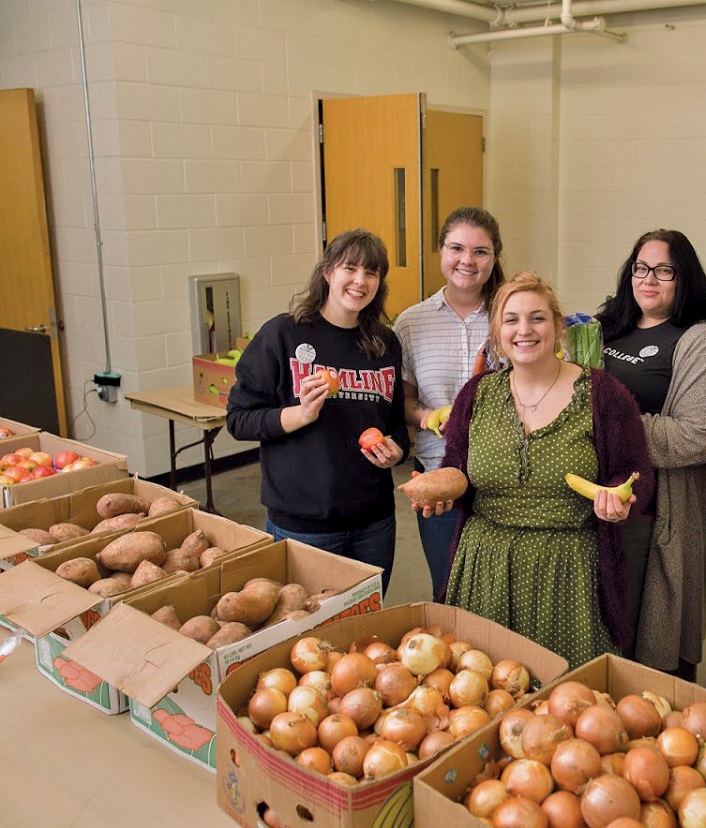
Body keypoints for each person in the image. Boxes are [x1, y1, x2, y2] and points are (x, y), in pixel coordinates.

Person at [412, 272, 654, 668]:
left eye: (537, 318)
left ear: (558, 327)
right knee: (481, 691)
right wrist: (440, 493)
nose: (524, 330)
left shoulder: (602, 394)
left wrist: (619, 499)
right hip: (483, 568)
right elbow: (456, 468)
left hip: (568, 573)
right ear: (497, 332)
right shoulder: (476, 394)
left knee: (565, 699)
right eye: (511, 320)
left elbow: (635, 472)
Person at [226, 229, 409, 592]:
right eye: (350, 268)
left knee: (364, 632)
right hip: (303, 523)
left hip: (374, 521)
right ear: (327, 272)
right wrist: (300, 414)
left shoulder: (384, 343)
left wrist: (396, 451)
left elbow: (396, 426)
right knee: (305, 635)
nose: (360, 281)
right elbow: (238, 419)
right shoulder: (284, 335)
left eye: (371, 273)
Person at [596, 229, 706, 679]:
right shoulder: (603, 327)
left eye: (663, 270)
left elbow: (695, 437)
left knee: (647, 642)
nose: (648, 278)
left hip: (655, 515)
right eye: (640, 267)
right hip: (595, 505)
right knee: (601, 632)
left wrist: (606, 423)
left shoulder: (700, 341)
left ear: (684, 278)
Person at [393, 207, 505, 601]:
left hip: (502, 475)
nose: (467, 261)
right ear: (440, 251)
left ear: (494, 258)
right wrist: (427, 417)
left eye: (481, 252)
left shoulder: (510, 319)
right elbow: (402, 403)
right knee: (447, 586)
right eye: (456, 248)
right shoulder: (410, 323)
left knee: (499, 590)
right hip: (437, 473)